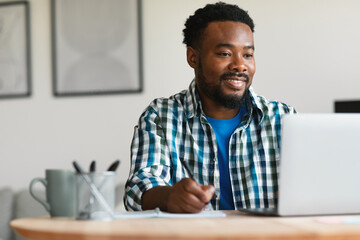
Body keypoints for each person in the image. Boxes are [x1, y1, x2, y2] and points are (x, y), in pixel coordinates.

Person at [124, 2, 296, 213]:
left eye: (248, 55)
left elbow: (316, 185)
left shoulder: (284, 119)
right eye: (225, 54)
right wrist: (170, 196)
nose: (240, 65)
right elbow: (138, 189)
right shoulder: (162, 116)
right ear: (193, 57)